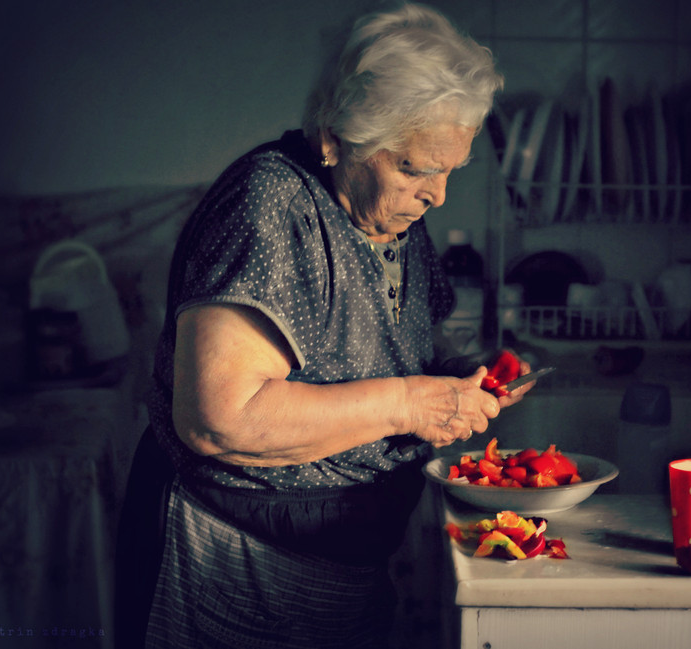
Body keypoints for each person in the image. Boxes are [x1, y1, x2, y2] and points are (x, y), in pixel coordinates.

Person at [115, 3, 534, 647]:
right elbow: (219, 419)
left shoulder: (393, 215)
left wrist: (455, 379)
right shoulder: (270, 203)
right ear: (336, 136)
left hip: (341, 562)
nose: (438, 195)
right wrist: (409, 403)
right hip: (230, 561)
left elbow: (387, 345)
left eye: (451, 169)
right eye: (415, 169)